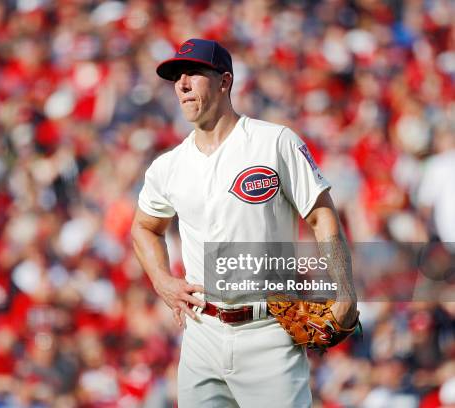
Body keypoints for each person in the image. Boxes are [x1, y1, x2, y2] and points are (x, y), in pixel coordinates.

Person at [131, 39, 358, 407]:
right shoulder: (168, 166)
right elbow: (144, 227)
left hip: (270, 329)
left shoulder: (274, 142)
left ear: (224, 81)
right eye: (176, 77)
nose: (182, 84)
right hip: (201, 333)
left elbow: (321, 215)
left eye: (193, 74)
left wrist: (345, 292)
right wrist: (162, 281)